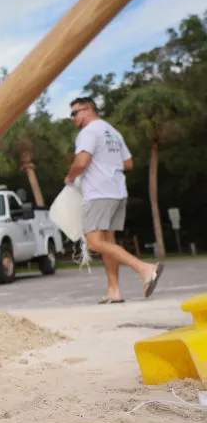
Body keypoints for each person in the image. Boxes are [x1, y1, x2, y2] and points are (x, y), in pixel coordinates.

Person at [65, 96, 163, 303]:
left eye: (75, 113)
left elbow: (82, 161)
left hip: (98, 193)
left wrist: (71, 176)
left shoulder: (88, 132)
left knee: (94, 243)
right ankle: (114, 291)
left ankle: (145, 268)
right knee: (107, 243)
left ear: (89, 109)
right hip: (117, 192)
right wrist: (106, 162)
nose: (72, 118)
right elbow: (128, 163)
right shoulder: (113, 132)